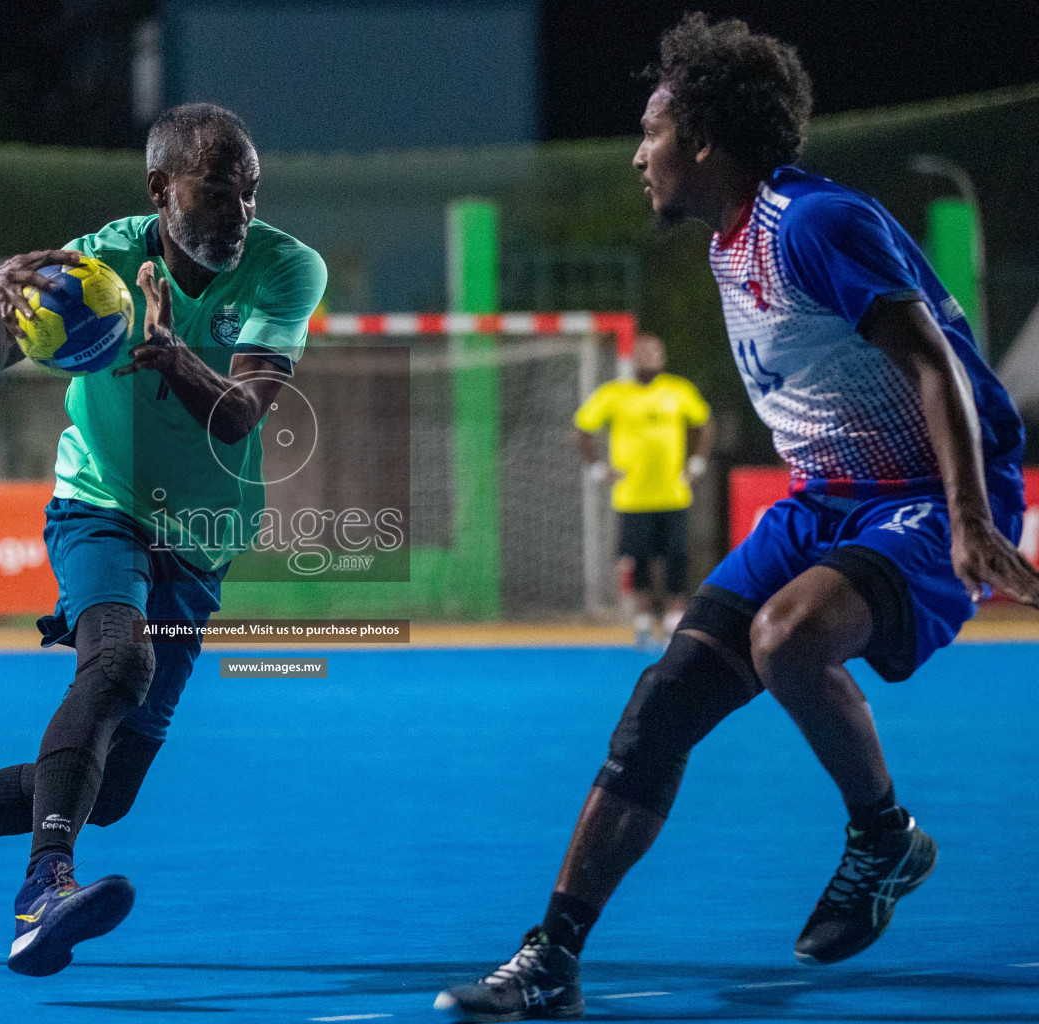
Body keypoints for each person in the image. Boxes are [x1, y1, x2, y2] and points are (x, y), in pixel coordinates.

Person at [437, 15, 1039, 1021]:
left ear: (705, 139)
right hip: (827, 503)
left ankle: (882, 838)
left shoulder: (812, 223)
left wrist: (974, 519)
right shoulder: (730, 242)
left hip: (928, 493)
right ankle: (551, 959)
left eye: (652, 131)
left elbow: (931, 362)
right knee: (658, 709)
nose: (637, 152)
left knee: (788, 639)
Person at [0, 103, 326, 977]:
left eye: (250, 191)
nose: (238, 212)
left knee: (111, 791)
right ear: (161, 190)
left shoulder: (286, 268)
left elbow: (238, 418)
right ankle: (44, 890)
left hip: (200, 538)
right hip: (100, 507)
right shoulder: (101, 264)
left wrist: (168, 355)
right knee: (118, 666)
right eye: (216, 191)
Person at [575, 333, 713, 646]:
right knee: (638, 559)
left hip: (673, 494)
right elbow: (583, 428)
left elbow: (704, 423)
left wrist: (697, 463)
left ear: (662, 357)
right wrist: (598, 468)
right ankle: (642, 622)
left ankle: (674, 620)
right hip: (632, 497)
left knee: (676, 558)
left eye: (653, 352)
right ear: (631, 358)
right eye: (641, 352)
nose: (647, 357)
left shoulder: (679, 391)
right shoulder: (613, 394)